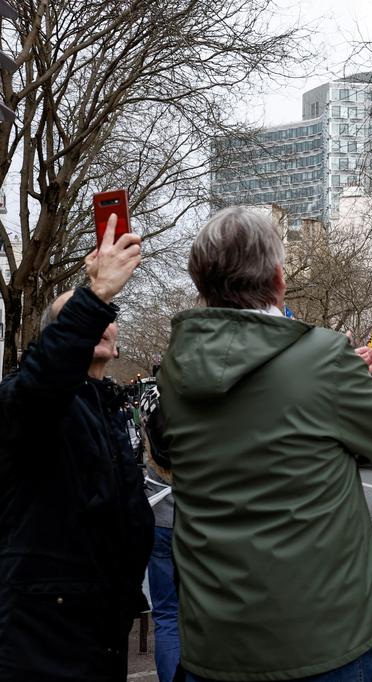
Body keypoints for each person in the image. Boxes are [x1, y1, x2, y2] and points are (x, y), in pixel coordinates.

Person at [158, 207, 372, 682]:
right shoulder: (323, 356)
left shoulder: (176, 368)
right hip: (321, 641)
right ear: (278, 277)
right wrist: (348, 380)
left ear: (202, 283)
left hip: (214, 644)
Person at [0, 216, 154, 681]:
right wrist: (97, 293)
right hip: (44, 637)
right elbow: (44, 381)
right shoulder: (31, 401)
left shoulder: (110, 405)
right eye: (83, 315)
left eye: (107, 317)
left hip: (100, 624)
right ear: (56, 339)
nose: (102, 321)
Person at [138, 386, 180, 682]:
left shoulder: (150, 398)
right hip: (197, 517)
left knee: (166, 616)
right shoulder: (194, 398)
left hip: (160, 514)